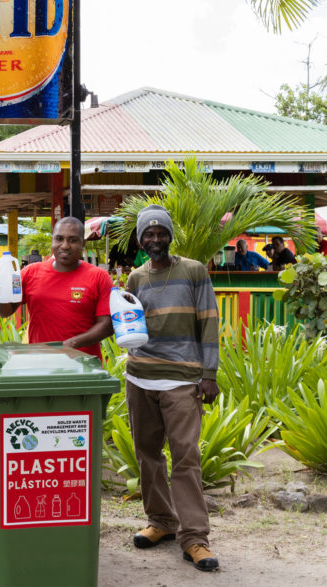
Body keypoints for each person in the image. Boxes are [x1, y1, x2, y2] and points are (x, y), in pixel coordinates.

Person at [125, 204, 220, 572]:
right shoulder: (135, 279)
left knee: (185, 457)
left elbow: (209, 322)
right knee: (147, 453)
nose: (155, 239)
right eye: (148, 234)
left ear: (170, 236)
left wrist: (209, 374)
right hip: (140, 377)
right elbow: (130, 326)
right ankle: (161, 521)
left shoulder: (194, 271)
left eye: (161, 232)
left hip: (182, 379)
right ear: (140, 239)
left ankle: (195, 537)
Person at [0, 216, 113, 361]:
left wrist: (71, 344)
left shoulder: (99, 277)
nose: (65, 245)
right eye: (59, 239)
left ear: (83, 243)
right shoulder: (30, 273)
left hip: (83, 365)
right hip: (41, 363)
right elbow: (5, 312)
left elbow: (107, 325)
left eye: (72, 240)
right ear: (52, 241)